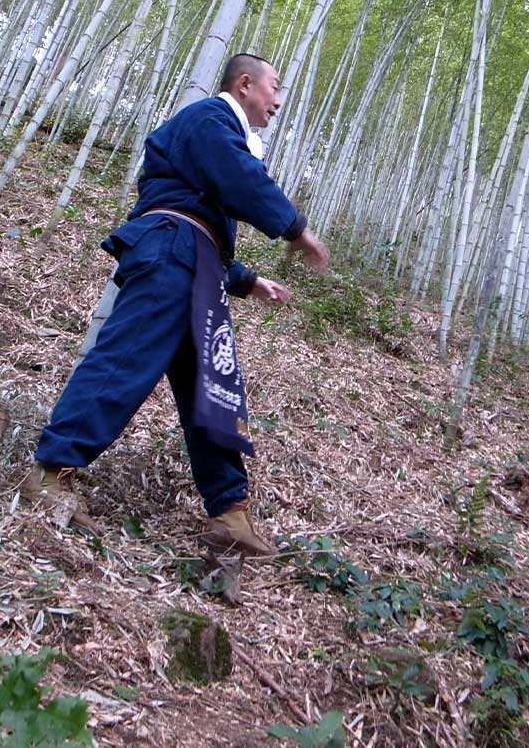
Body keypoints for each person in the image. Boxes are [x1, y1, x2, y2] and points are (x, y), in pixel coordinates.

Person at [19, 53, 329, 556]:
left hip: (193, 259)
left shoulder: (213, 136)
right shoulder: (209, 117)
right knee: (126, 360)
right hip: (170, 250)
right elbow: (232, 182)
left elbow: (202, 218)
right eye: (275, 87)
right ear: (245, 84)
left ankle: (230, 511)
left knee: (215, 385)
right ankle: (51, 473)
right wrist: (295, 228)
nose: (278, 100)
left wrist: (246, 281)